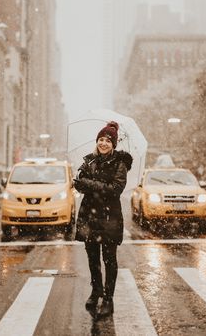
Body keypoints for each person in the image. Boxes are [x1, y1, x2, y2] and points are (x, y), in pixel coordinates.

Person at [74, 121, 133, 318]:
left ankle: (108, 298)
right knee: (92, 259)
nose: (103, 143)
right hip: (90, 217)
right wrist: (85, 184)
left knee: (109, 260)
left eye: (108, 140)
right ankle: (96, 291)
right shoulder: (89, 161)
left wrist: (89, 184)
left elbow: (115, 190)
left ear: (114, 144)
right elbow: (79, 184)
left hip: (109, 217)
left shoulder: (120, 163)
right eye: (100, 139)